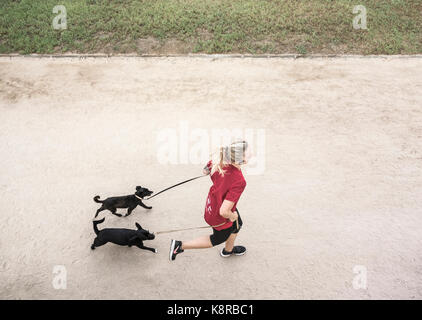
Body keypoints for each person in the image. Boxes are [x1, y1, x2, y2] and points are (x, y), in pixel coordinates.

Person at [169, 140, 250, 261]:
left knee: (238, 224)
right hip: (219, 214)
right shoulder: (239, 181)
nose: (250, 153)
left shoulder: (219, 161)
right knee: (217, 239)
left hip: (214, 203)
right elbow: (223, 211)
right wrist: (232, 216)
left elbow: (205, 170)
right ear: (240, 159)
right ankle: (179, 245)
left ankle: (228, 250)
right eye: (247, 152)